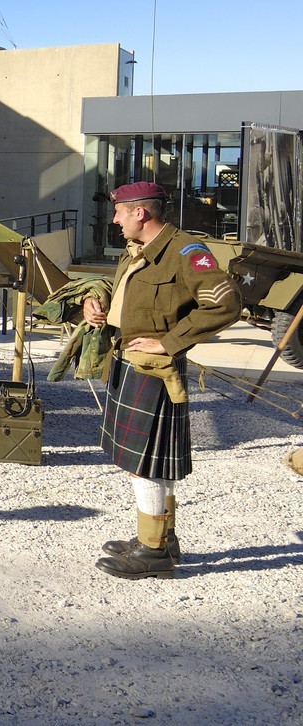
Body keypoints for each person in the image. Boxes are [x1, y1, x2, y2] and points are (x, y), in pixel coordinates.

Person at [83, 180, 240, 580]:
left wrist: (169, 342)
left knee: (143, 465)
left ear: (141, 213)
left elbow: (225, 304)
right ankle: (160, 538)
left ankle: (152, 551)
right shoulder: (139, 251)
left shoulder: (187, 252)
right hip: (128, 362)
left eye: (119, 212)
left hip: (152, 371)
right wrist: (96, 303)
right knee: (147, 461)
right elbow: (123, 288)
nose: (115, 219)